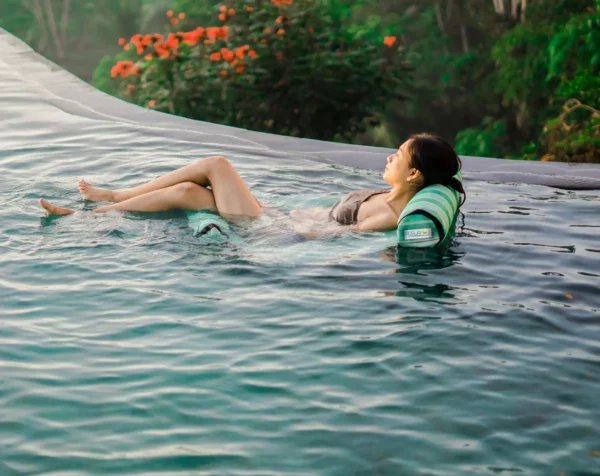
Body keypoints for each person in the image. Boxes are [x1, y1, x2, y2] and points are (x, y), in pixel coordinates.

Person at [38, 133, 465, 234]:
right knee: (190, 193)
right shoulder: (391, 195)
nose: (389, 155)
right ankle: (98, 212)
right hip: (280, 217)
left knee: (217, 164)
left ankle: (104, 202)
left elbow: (341, 240)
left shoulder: (390, 214)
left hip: (274, 233)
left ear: (414, 174)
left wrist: (282, 229)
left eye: (399, 155)